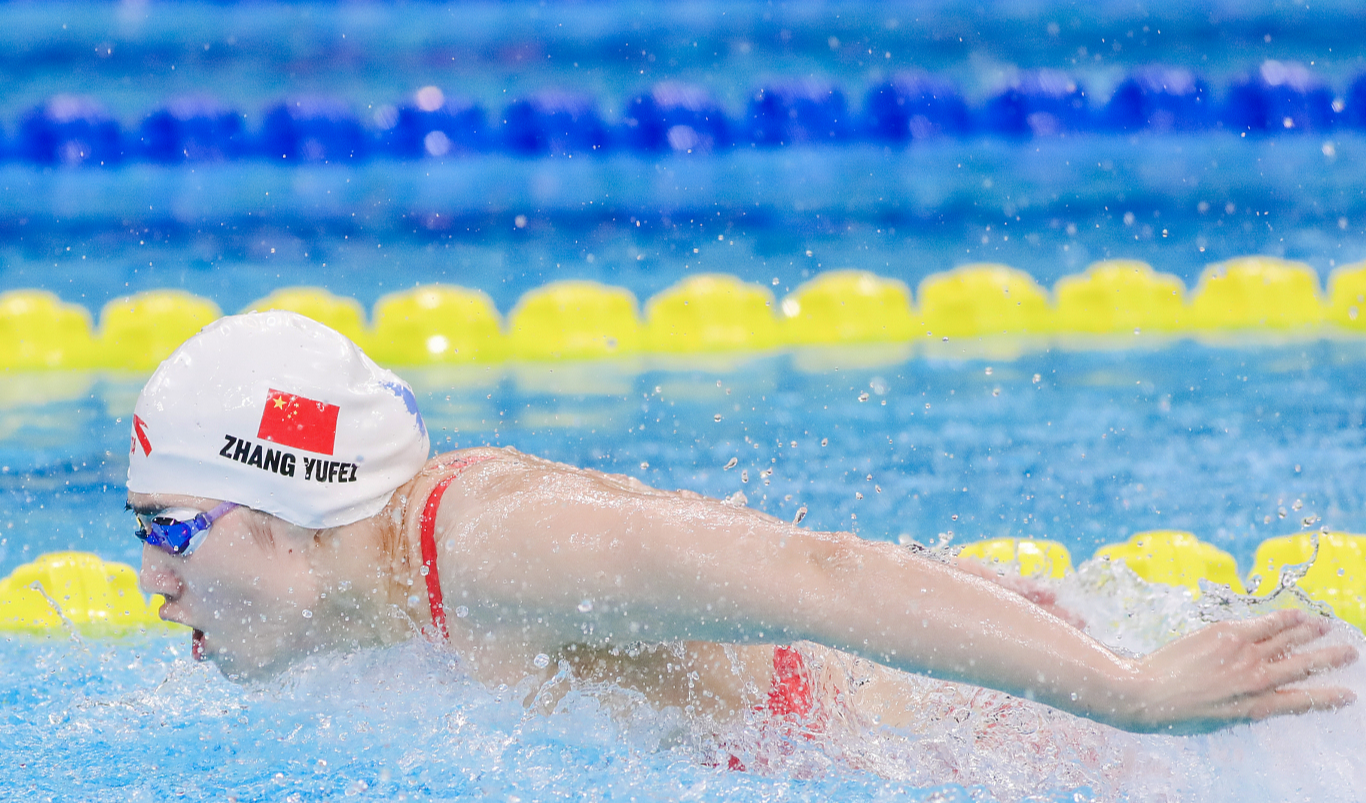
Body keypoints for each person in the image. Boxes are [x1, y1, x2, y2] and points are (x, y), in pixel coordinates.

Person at [125, 311, 1357, 736]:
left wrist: (1125, 691)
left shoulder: (490, 548)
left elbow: (818, 573)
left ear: (290, 505)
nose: (149, 579)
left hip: (1029, 743)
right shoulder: (399, 572)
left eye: (169, 529)